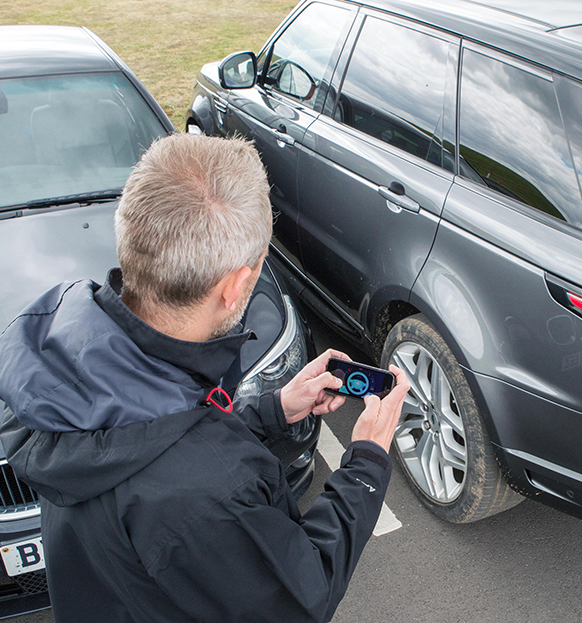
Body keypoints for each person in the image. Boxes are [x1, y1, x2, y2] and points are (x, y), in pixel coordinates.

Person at [0, 133, 409, 622]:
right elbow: (303, 593)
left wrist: (272, 411)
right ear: (235, 287)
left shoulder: (65, 358)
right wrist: (366, 461)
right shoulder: (214, 492)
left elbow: (157, 435)